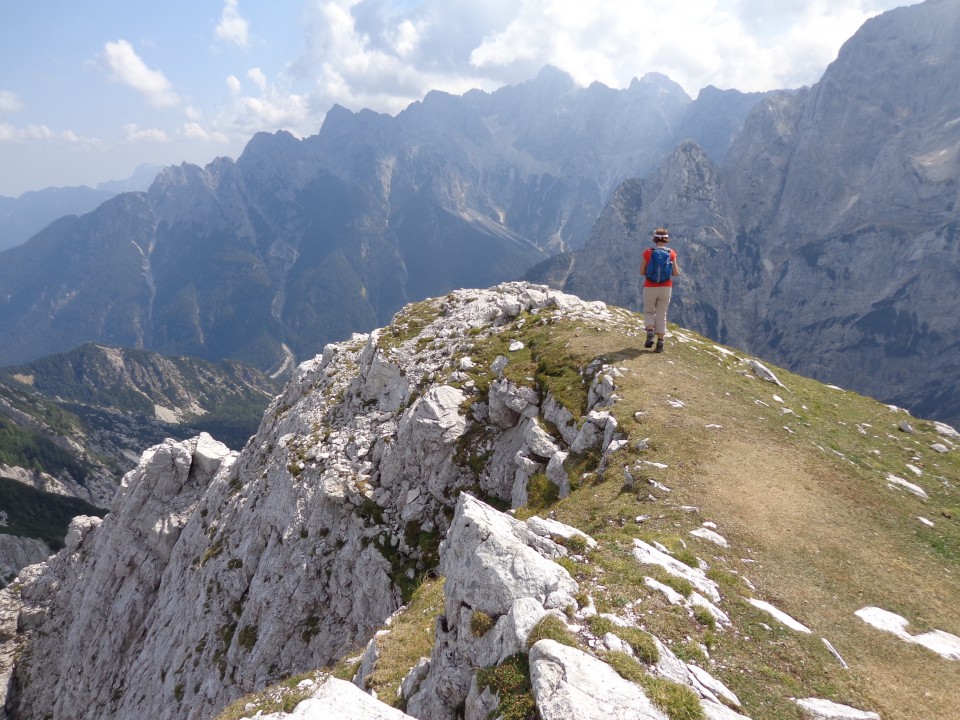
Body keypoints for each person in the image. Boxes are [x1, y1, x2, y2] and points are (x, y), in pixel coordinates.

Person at [640, 227, 680, 353]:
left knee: (649, 311)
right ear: (666, 239)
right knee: (661, 314)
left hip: (650, 286)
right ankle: (660, 344)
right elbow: (676, 273)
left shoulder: (648, 252)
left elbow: (642, 271)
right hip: (666, 287)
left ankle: (650, 331)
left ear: (655, 239)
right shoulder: (671, 253)